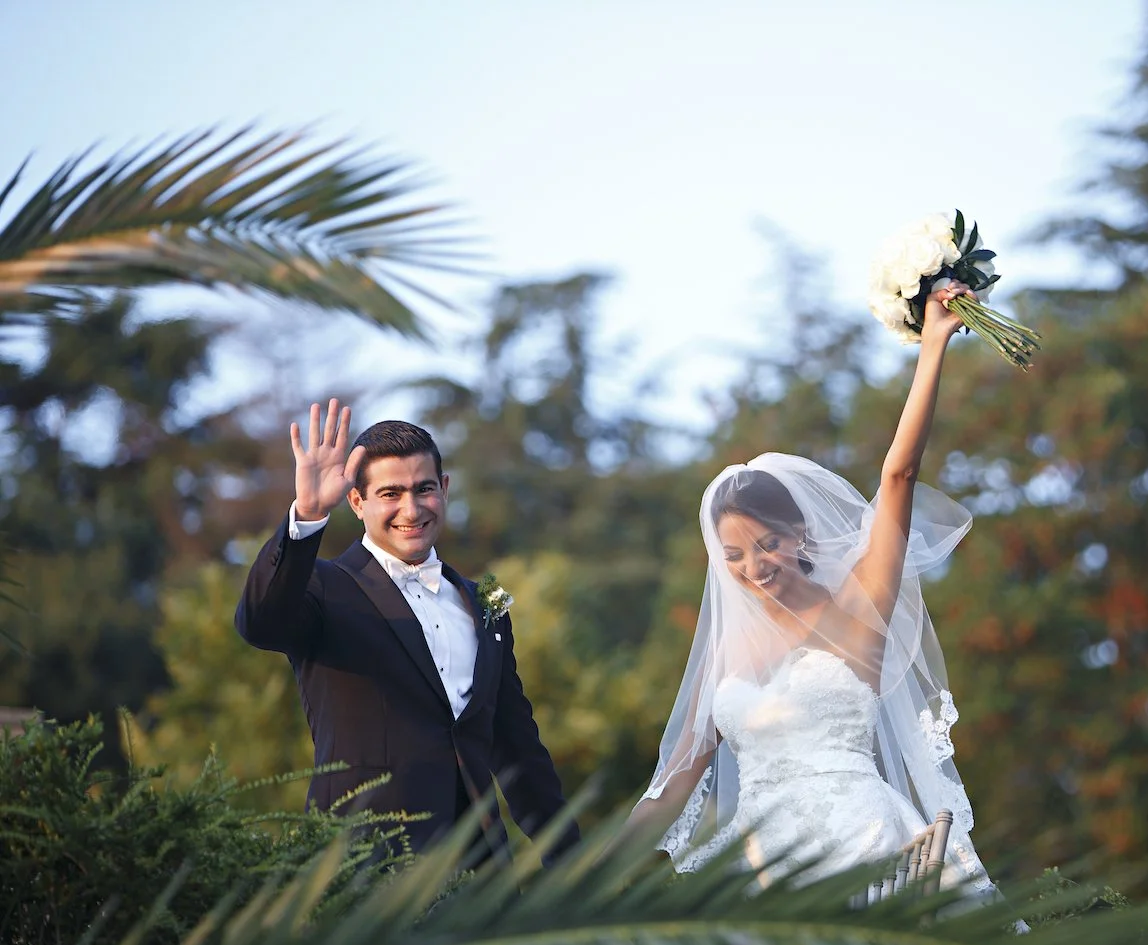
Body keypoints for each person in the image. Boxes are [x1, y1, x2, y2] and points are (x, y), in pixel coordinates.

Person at [627, 280, 994, 892]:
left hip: (870, 848)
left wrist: (932, 347)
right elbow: (669, 789)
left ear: (799, 532)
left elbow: (899, 475)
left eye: (767, 544)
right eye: (735, 555)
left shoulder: (858, 610)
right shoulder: (726, 653)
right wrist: (580, 880)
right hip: (759, 876)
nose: (755, 566)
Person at [236, 402, 578, 859]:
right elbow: (261, 623)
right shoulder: (322, 588)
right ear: (357, 502)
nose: (411, 509)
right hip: (366, 867)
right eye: (390, 493)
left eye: (424, 489)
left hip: (478, 873)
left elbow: (517, 748)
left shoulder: (486, 605)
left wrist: (573, 864)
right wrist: (309, 514)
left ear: (446, 489)